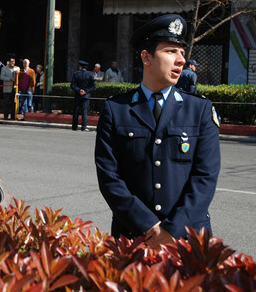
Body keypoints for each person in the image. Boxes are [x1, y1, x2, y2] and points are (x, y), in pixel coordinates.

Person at [95, 14, 220, 248]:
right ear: (146, 57)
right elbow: (109, 178)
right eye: (171, 51)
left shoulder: (200, 110)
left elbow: (205, 177)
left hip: (188, 238)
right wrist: (147, 226)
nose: (181, 60)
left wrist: (171, 230)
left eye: (182, 53)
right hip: (134, 236)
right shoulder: (116, 110)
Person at [70, 60, 95, 131]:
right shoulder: (90, 74)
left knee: (76, 111)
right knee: (84, 112)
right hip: (86, 96)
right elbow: (93, 86)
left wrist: (79, 90)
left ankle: (74, 127)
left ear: (80, 66)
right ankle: (83, 127)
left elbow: (72, 85)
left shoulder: (76, 74)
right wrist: (85, 91)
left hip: (78, 95)